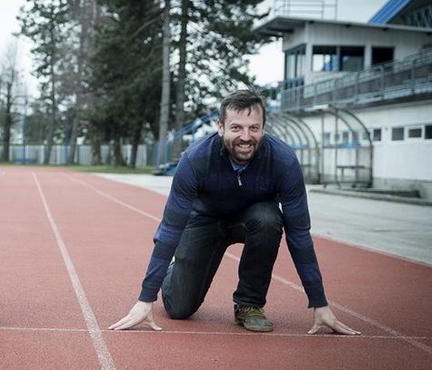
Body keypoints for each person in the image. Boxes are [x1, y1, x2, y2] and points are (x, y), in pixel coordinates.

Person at [110, 90, 360, 335]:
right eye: (236, 128)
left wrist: (319, 302)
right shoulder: (195, 159)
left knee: (268, 218)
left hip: (252, 219)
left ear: (263, 128)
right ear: (220, 127)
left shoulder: (283, 161)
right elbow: (170, 228)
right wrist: (146, 298)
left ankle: (249, 304)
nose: (246, 136)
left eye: (254, 128)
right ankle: (176, 270)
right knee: (179, 308)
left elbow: (299, 234)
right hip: (204, 221)